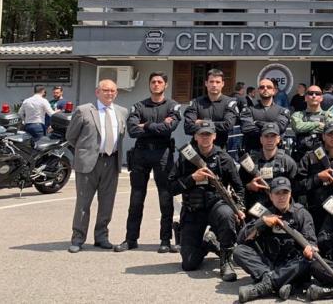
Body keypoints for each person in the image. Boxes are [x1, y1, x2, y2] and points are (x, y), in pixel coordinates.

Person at [169, 123, 245, 281]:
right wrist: (192, 178)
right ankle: (208, 243)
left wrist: (238, 208)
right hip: (193, 210)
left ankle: (226, 261)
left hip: (216, 206)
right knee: (189, 264)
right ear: (196, 137)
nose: (205, 137)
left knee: (227, 215)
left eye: (208, 134)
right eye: (202, 134)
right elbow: (171, 187)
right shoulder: (186, 157)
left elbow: (239, 188)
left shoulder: (223, 158)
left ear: (214, 136)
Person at [115, 72, 180, 254]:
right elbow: (132, 131)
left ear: (165, 85)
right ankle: (131, 239)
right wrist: (158, 126)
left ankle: (165, 240)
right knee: (136, 199)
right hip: (141, 154)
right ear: (149, 84)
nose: (156, 84)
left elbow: (170, 127)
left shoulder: (172, 106)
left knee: (165, 199)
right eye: (153, 82)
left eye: (159, 82)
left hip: (163, 154)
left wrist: (146, 125)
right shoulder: (139, 106)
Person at [66, 79, 127, 253]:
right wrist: (85, 151)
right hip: (88, 162)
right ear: (97, 92)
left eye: (113, 91)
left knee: (107, 202)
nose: (109, 93)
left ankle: (101, 237)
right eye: (105, 90)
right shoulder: (84, 110)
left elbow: (121, 137)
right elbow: (71, 136)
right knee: (83, 202)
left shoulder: (122, 112)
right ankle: (78, 238)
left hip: (111, 162)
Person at [234, 177, 317, 303]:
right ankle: (281, 283)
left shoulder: (301, 214)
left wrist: (309, 250)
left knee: (310, 260)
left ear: (290, 194)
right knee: (239, 251)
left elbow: (311, 242)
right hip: (269, 265)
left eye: (285, 192)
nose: (281, 197)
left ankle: (266, 285)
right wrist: (262, 222)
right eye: (277, 193)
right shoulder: (264, 213)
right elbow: (241, 239)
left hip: (292, 265)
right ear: (271, 196)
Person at [239, 123, 298, 211]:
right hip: (257, 208)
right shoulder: (249, 161)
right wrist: (249, 186)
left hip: (281, 207)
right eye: (266, 136)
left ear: (278, 139)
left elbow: (296, 188)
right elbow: (238, 186)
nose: (270, 140)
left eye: (273, 136)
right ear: (261, 139)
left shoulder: (287, 162)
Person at [183, 68, 238, 150]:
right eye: (211, 81)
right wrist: (216, 125)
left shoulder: (229, 103)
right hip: (197, 150)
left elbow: (228, 126)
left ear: (223, 84)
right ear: (206, 83)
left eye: (218, 82)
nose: (214, 85)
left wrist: (202, 122)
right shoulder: (196, 103)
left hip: (220, 150)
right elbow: (188, 127)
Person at [239, 78, 291, 152]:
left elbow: (280, 127)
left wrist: (258, 123)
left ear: (274, 91)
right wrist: (272, 128)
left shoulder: (283, 111)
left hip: (277, 153)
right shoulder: (248, 110)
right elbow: (247, 128)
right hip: (253, 152)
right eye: (262, 87)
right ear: (258, 91)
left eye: (269, 87)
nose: (265, 89)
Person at [290, 84, 333, 162]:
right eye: (310, 93)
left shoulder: (329, 115)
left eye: (317, 94)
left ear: (321, 98)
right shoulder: (297, 115)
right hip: (301, 157)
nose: (314, 96)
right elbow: (298, 127)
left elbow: (330, 130)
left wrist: (306, 127)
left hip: (322, 158)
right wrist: (317, 124)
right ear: (305, 97)